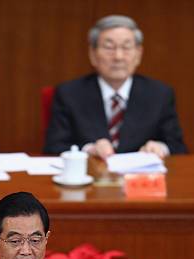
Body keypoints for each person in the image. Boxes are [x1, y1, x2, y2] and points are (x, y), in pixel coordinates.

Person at [44, 15, 186, 159]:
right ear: (92, 54)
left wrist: (160, 148)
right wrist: (90, 149)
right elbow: (53, 146)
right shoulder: (69, 93)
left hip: (141, 177)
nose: (118, 56)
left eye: (126, 47)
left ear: (138, 54)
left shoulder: (159, 94)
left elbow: (178, 147)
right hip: (92, 177)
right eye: (109, 47)